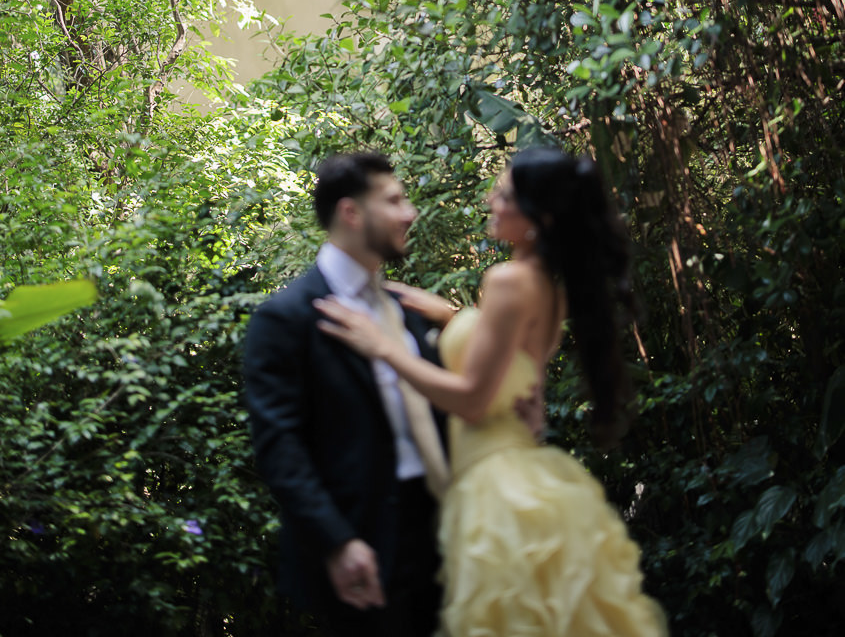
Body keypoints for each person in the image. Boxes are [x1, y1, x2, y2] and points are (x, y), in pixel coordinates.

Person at [315, 146, 669, 637]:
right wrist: (452, 316)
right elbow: (511, 365)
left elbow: (471, 399)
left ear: (539, 217)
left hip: (494, 486)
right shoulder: (548, 287)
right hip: (523, 466)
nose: (490, 200)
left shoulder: (506, 281)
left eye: (504, 195)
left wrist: (383, 348)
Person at [243, 150, 452, 637]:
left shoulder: (406, 307)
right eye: (394, 201)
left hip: (440, 530)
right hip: (363, 545)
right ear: (351, 213)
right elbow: (279, 446)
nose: (410, 213)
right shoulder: (285, 318)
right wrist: (337, 542)